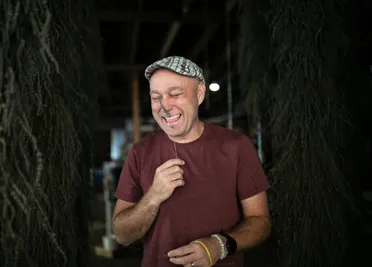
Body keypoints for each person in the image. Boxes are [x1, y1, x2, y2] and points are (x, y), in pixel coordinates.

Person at [112, 56, 271, 267]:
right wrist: (153, 196)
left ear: (199, 93)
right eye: (156, 97)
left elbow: (261, 221)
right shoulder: (140, 152)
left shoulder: (237, 147)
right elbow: (122, 236)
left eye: (175, 94)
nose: (164, 106)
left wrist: (220, 245)